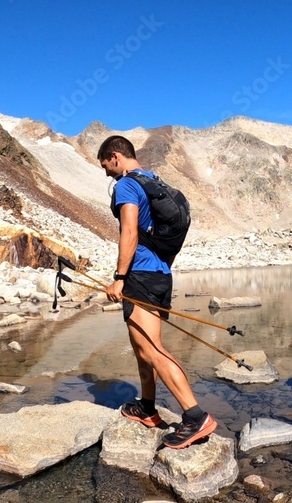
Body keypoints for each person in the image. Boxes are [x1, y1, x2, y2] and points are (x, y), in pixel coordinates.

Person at [97, 135, 218, 449]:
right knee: (141, 349)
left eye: (106, 166)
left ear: (115, 156)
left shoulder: (127, 185)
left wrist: (120, 278)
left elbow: (129, 231)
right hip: (161, 275)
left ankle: (195, 416)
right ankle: (147, 408)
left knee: (152, 349)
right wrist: (160, 268)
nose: (107, 173)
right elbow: (169, 239)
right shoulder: (156, 183)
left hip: (139, 276)